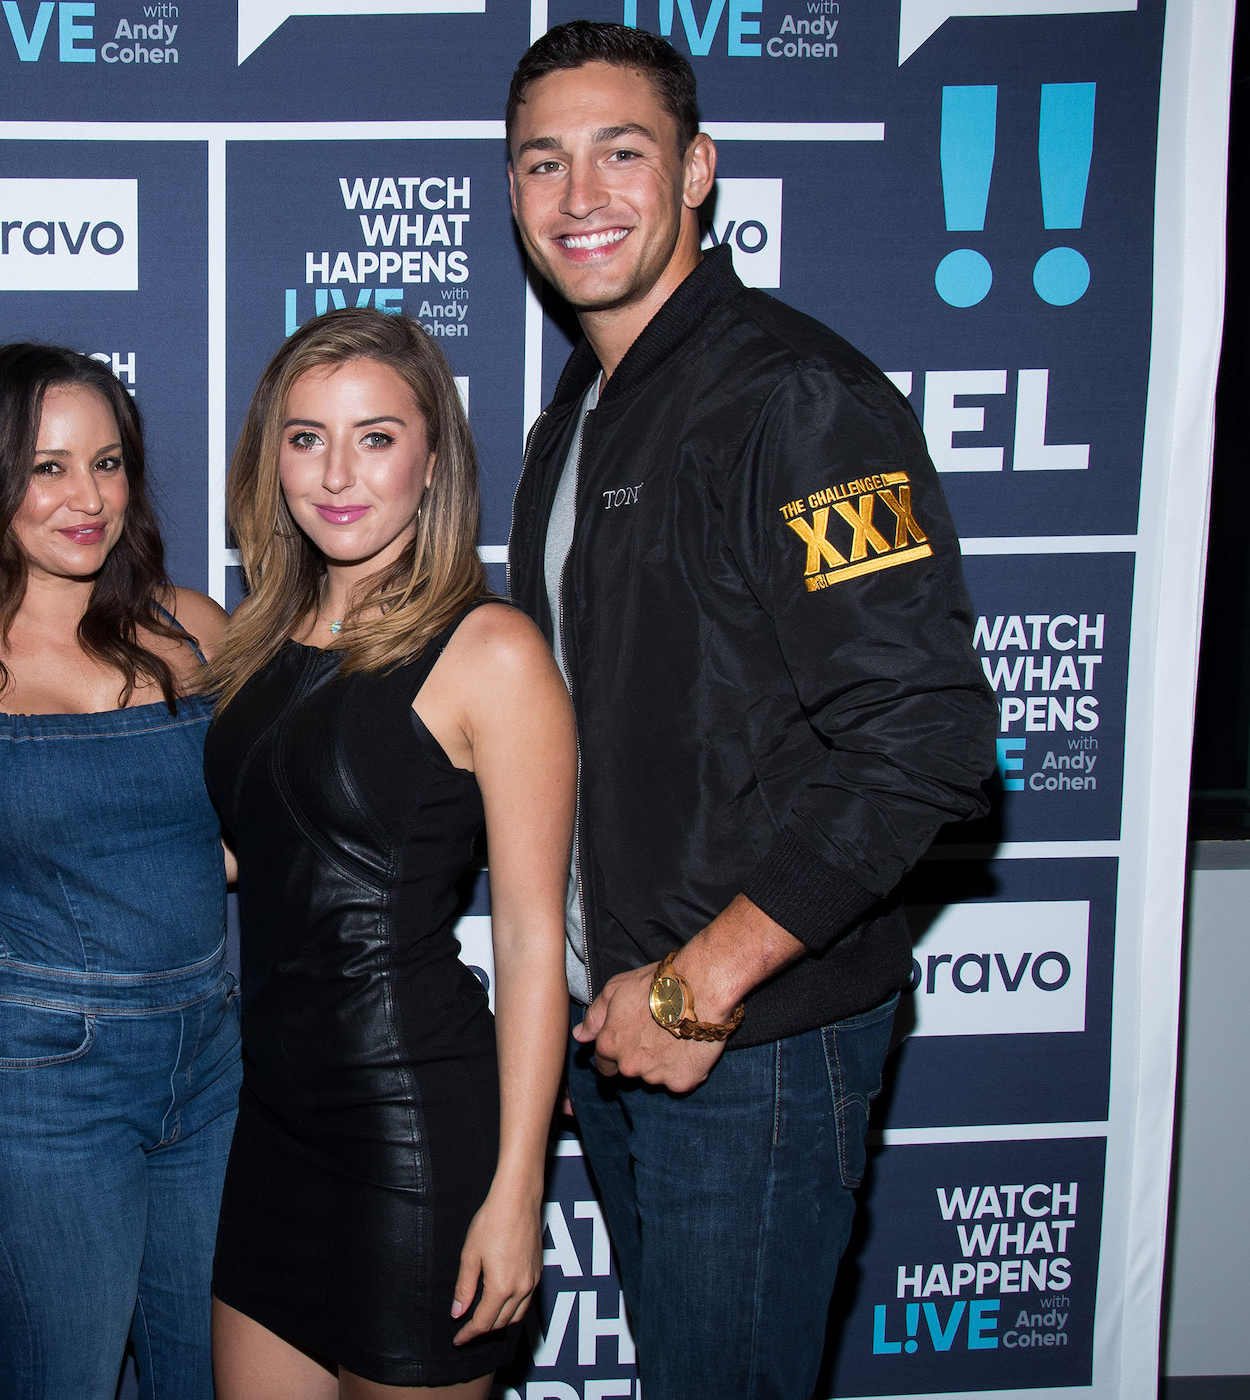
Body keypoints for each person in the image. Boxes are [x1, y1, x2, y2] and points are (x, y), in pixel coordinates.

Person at [502, 22, 999, 1398]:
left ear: (700, 169)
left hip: (750, 1043)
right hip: (627, 1030)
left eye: (623, 153)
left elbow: (931, 740)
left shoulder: (793, 395)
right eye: (545, 162)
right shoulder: (580, 420)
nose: (581, 195)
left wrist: (698, 982)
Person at [204, 307, 573, 1398]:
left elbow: (530, 937)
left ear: (431, 455)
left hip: (412, 1132)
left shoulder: (490, 648)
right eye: (306, 434)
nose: (336, 472)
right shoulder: (255, 641)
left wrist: (515, 1190)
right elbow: (266, 856)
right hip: (269, 1123)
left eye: (375, 435)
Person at [0, 343, 241, 1400]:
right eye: (46, 467)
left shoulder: (193, 626)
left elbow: (286, 802)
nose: (86, 497)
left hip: (212, 1057)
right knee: (60, 1379)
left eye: (107, 462)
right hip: (45, 1068)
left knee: (207, 1376)